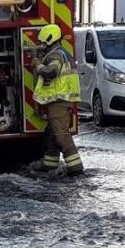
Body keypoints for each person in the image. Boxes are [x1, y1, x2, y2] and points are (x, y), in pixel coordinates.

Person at [32, 24, 83, 176]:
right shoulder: (62, 52)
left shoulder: (55, 55)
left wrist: (37, 64)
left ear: (49, 39)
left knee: (61, 136)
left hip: (59, 100)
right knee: (51, 132)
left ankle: (76, 169)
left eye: (43, 43)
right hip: (61, 100)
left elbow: (51, 72)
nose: (41, 45)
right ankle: (50, 163)